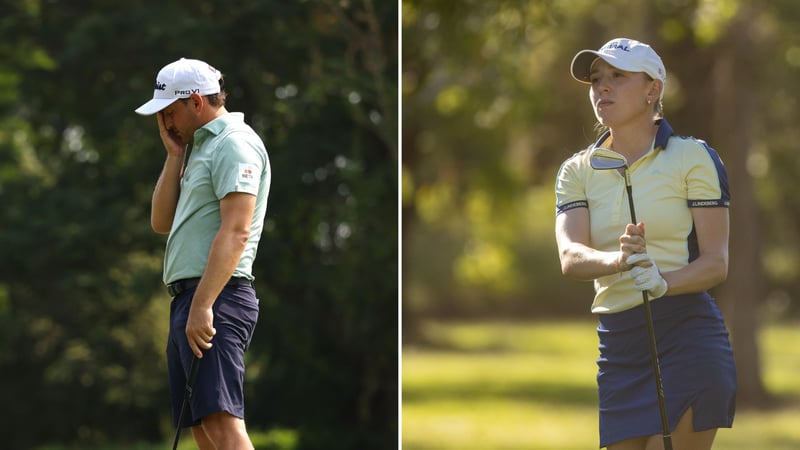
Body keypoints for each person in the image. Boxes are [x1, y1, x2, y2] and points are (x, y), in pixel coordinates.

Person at [554, 38, 737, 450]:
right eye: (597, 79)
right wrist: (621, 260)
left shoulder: (694, 157)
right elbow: (570, 256)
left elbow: (715, 263)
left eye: (618, 77)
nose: (602, 87)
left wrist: (662, 282)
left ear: (653, 89)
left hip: (687, 334)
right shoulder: (576, 171)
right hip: (619, 345)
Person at [136, 57, 270, 450]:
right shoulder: (195, 150)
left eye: (170, 112)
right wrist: (174, 155)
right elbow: (161, 222)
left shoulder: (235, 143)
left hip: (218, 298)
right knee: (203, 430)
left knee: (224, 425)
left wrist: (203, 304)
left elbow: (236, 230)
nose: (165, 122)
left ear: (196, 102)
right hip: (190, 300)